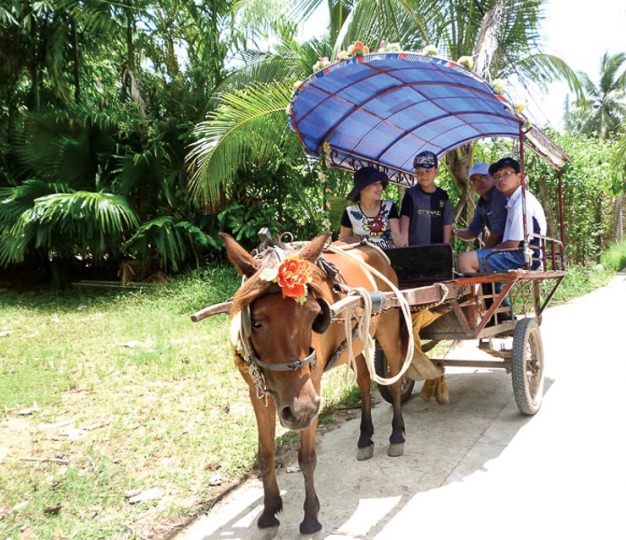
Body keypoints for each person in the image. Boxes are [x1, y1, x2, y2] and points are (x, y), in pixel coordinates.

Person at [457, 157, 547, 275]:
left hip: (525, 256)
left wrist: (486, 253)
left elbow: (512, 244)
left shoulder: (520, 203)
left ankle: (477, 294)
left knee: (465, 260)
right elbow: (473, 231)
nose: (501, 179)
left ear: (520, 177)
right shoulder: (511, 200)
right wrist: (454, 231)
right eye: (497, 176)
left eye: (506, 174)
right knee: (476, 260)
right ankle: (495, 293)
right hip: (518, 253)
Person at [398, 150, 453, 247]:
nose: (424, 175)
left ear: (436, 171)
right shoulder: (411, 194)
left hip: (437, 250)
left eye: (428, 171)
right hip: (414, 249)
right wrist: (403, 236)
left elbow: (447, 223)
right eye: (419, 172)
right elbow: (405, 216)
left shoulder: (443, 196)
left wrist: (446, 246)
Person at [339, 166, 400, 248]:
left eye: (380, 183)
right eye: (375, 184)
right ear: (362, 188)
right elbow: (343, 241)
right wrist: (359, 240)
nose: (380, 188)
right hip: (361, 259)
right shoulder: (349, 212)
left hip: (388, 258)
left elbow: (397, 237)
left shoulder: (389, 207)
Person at [451, 162, 508, 249]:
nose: (479, 183)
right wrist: (455, 232)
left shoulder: (499, 195)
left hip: (520, 249)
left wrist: (482, 254)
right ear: (471, 185)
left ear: (494, 178)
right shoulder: (482, 203)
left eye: (484, 178)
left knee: (467, 259)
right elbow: (473, 231)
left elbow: (497, 234)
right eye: (474, 180)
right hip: (505, 248)